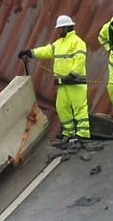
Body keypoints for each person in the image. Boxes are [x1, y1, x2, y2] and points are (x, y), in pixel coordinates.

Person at [20, 15, 92, 144]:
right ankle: (69, 133)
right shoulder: (59, 43)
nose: (58, 31)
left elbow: (80, 60)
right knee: (62, 107)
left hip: (75, 82)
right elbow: (46, 50)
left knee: (79, 107)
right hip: (63, 83)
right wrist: (30, 53)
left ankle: (83, 135)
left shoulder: (77, 42)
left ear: (66, 27)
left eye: (60, 28)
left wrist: (73, 74)